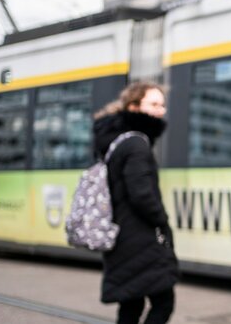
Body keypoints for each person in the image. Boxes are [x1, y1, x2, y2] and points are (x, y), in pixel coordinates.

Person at [93, 81, 179, 324]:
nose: (160, 110)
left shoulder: (118, 141)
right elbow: (141, 194)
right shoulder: (137, 144)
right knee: (163, 303)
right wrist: (162, 221)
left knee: (131, 304)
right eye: (153, 104)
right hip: (140, 238)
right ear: (133, 106)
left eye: (162, 105)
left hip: (123, 236)